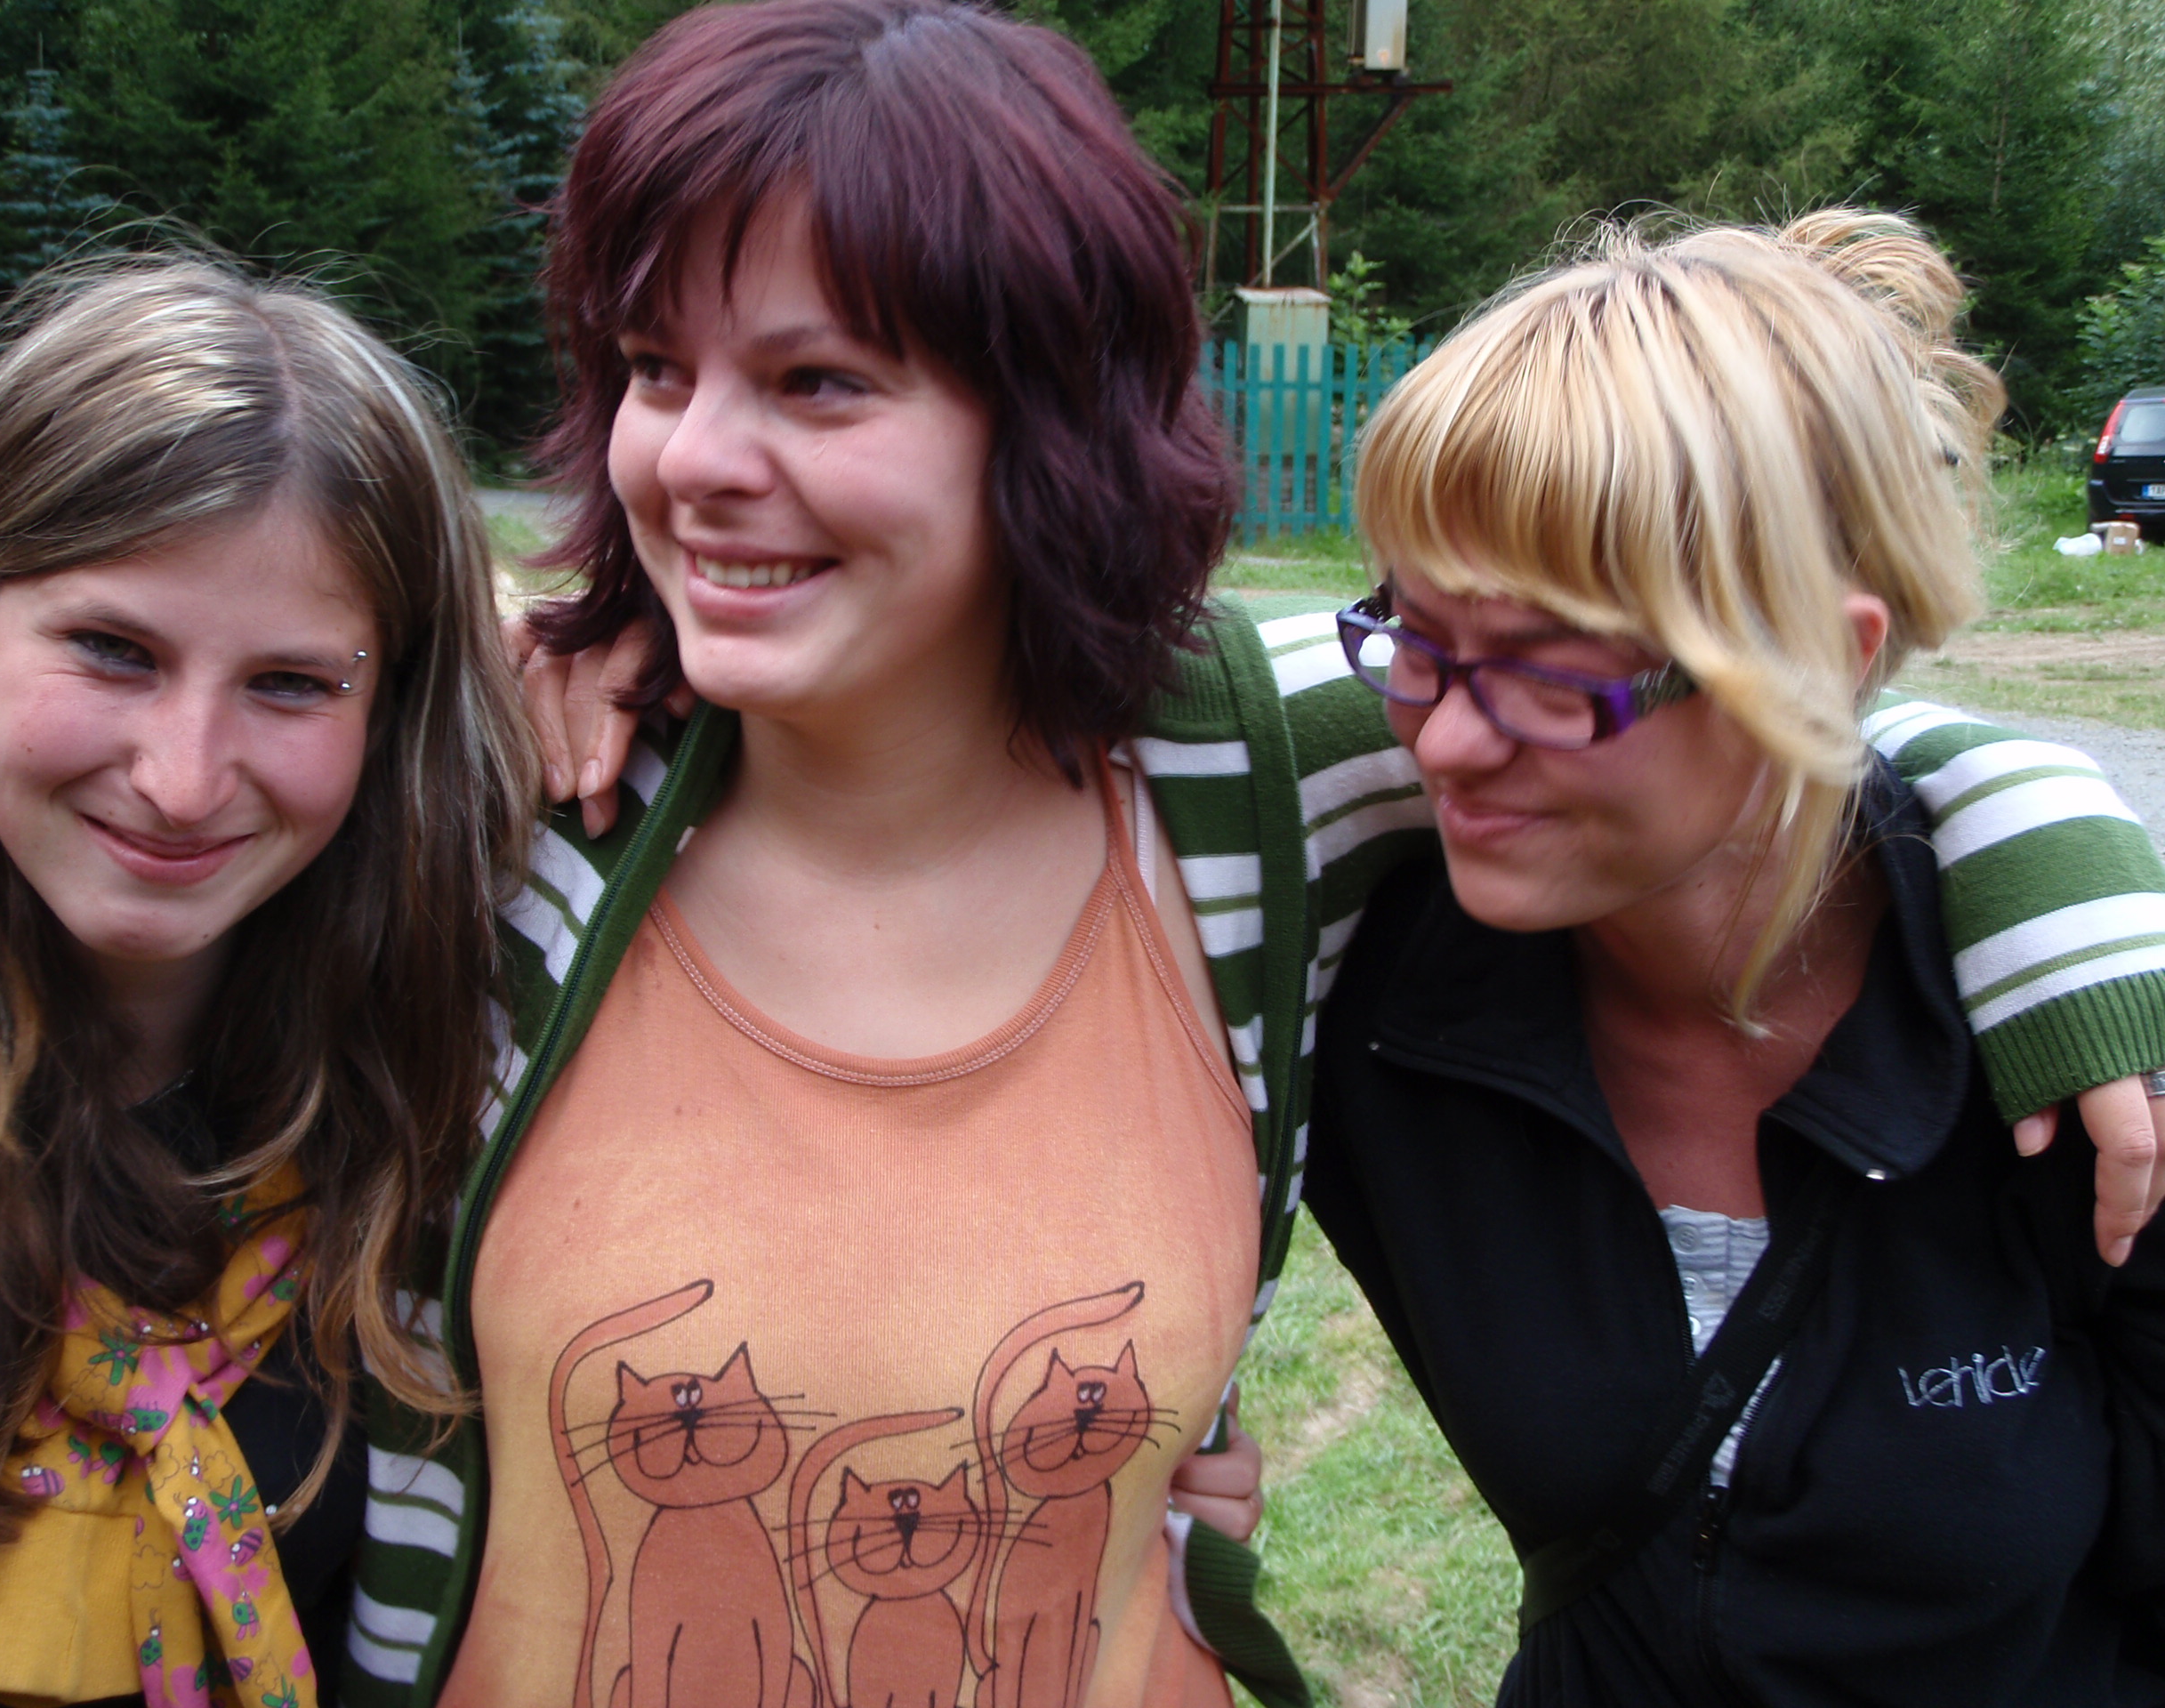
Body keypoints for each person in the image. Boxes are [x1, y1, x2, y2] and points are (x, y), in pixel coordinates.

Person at [346, 5, 2165, 1705]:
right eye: (654, 368)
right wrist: (518, 648)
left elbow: (1824, 746)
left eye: (818, 381)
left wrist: (2074, 915)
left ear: (1046, 422)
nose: (693, 460)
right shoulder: (512, 792)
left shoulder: (1235, 780)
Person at [1307, 209, 2165, 1703]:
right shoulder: (1384, 995)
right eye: (1415, 636)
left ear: (1820, 658)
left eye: (1554, 674)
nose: (1443, 742)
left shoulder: (2074, 1045)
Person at [0, 259, 538, 1707]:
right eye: (111, 650)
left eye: (292, 684)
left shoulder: (443, 1094)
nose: (183, 782)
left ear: (393, 711)